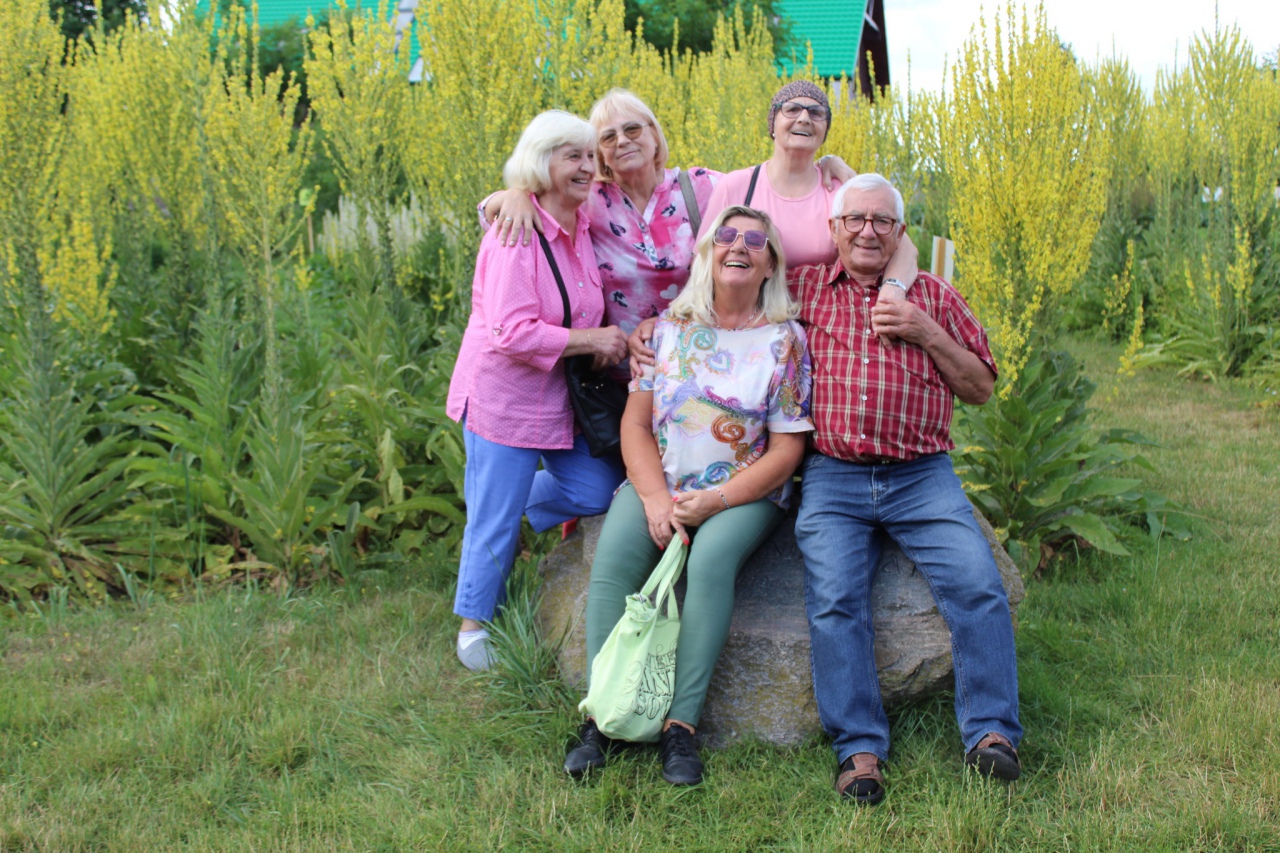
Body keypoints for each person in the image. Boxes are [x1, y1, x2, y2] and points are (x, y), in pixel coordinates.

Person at [790, 173, 1022, 804]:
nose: (868, 231)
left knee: (977, 585)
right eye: (855, 220)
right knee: (835, 599)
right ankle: (858, 750)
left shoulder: (935, 295)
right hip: (834, 475)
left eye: (882, 221)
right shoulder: (803, 288)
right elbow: (726, 285)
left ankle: (992, 734)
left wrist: (924, 330)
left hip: (921, 475)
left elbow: (980, 387)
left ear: (900, 234)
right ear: (834, 229)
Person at [563, 206, 814, 786]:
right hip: (664, 480)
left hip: (743, 492)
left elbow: (786, 451)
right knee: (613, 563)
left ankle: (681, 727)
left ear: (770, 264)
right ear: (706, 253)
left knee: (709, 563)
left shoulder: (785, 341)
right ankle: (601, 716)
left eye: (755, 241)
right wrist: (655, 499)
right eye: (726, 235)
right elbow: (635, 425)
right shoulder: (667, 331)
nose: (738, 246)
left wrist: (717, 501)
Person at [445, 110, 630, 671]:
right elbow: (511, 332)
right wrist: (592, 339)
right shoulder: (515, 232)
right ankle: (474, 628)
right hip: (503, 399)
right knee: (494, 520)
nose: (587, 166)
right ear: (540, 163)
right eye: (572, 156)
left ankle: (503, 502)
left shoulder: (581, 222)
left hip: (558, 402)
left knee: (598, 490)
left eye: (590, 155)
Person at [483, 89, 856, 350]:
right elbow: (529, 212)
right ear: (599, 155)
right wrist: (512, 195)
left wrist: (825, 165)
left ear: (654, 136)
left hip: (697, 358)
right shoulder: (590, 199)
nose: (622, 141)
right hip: (615, 366)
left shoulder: (702, 187)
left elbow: (771, 191)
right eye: (608, 138)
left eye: (633, 129)